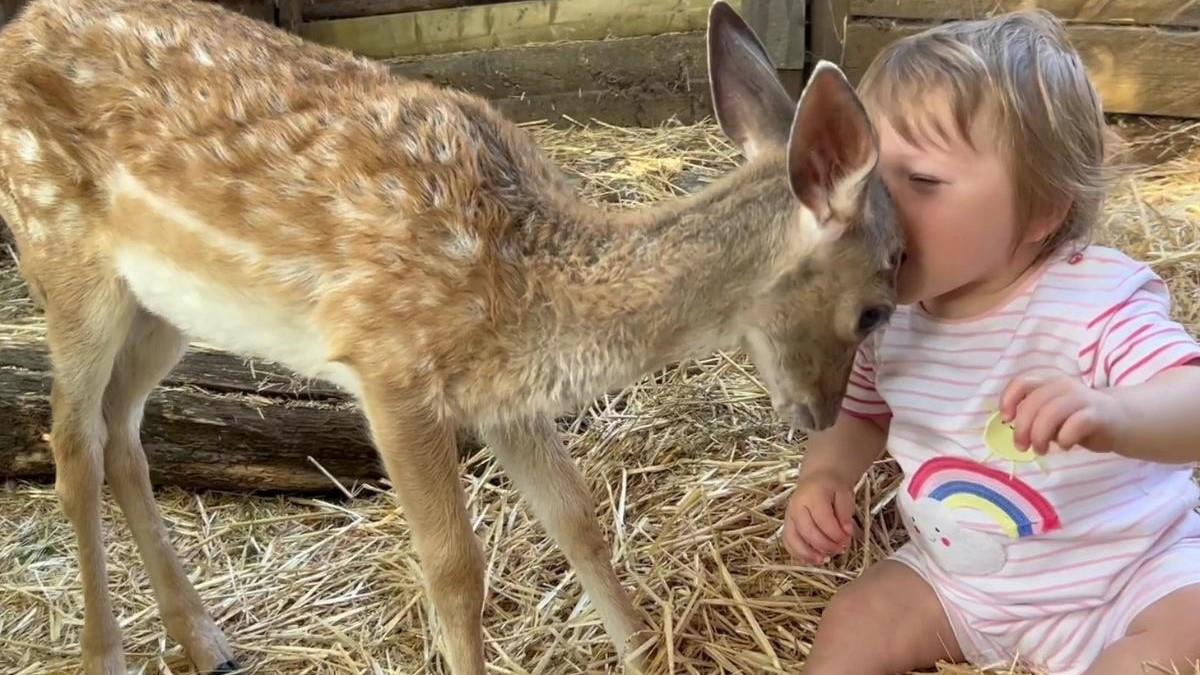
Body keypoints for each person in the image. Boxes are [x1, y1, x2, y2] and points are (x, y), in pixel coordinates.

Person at [783, 10, 1200, 675]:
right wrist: (826, 474)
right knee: (855, 622)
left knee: (1189, 629)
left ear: (1042, 208)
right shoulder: (886, 314)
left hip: (1128, 575)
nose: (877, 208)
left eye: (920, 183)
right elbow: (861, 412)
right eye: (871, 177)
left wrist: (1115, 413)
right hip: (962, 579)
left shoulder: (1093, 299)